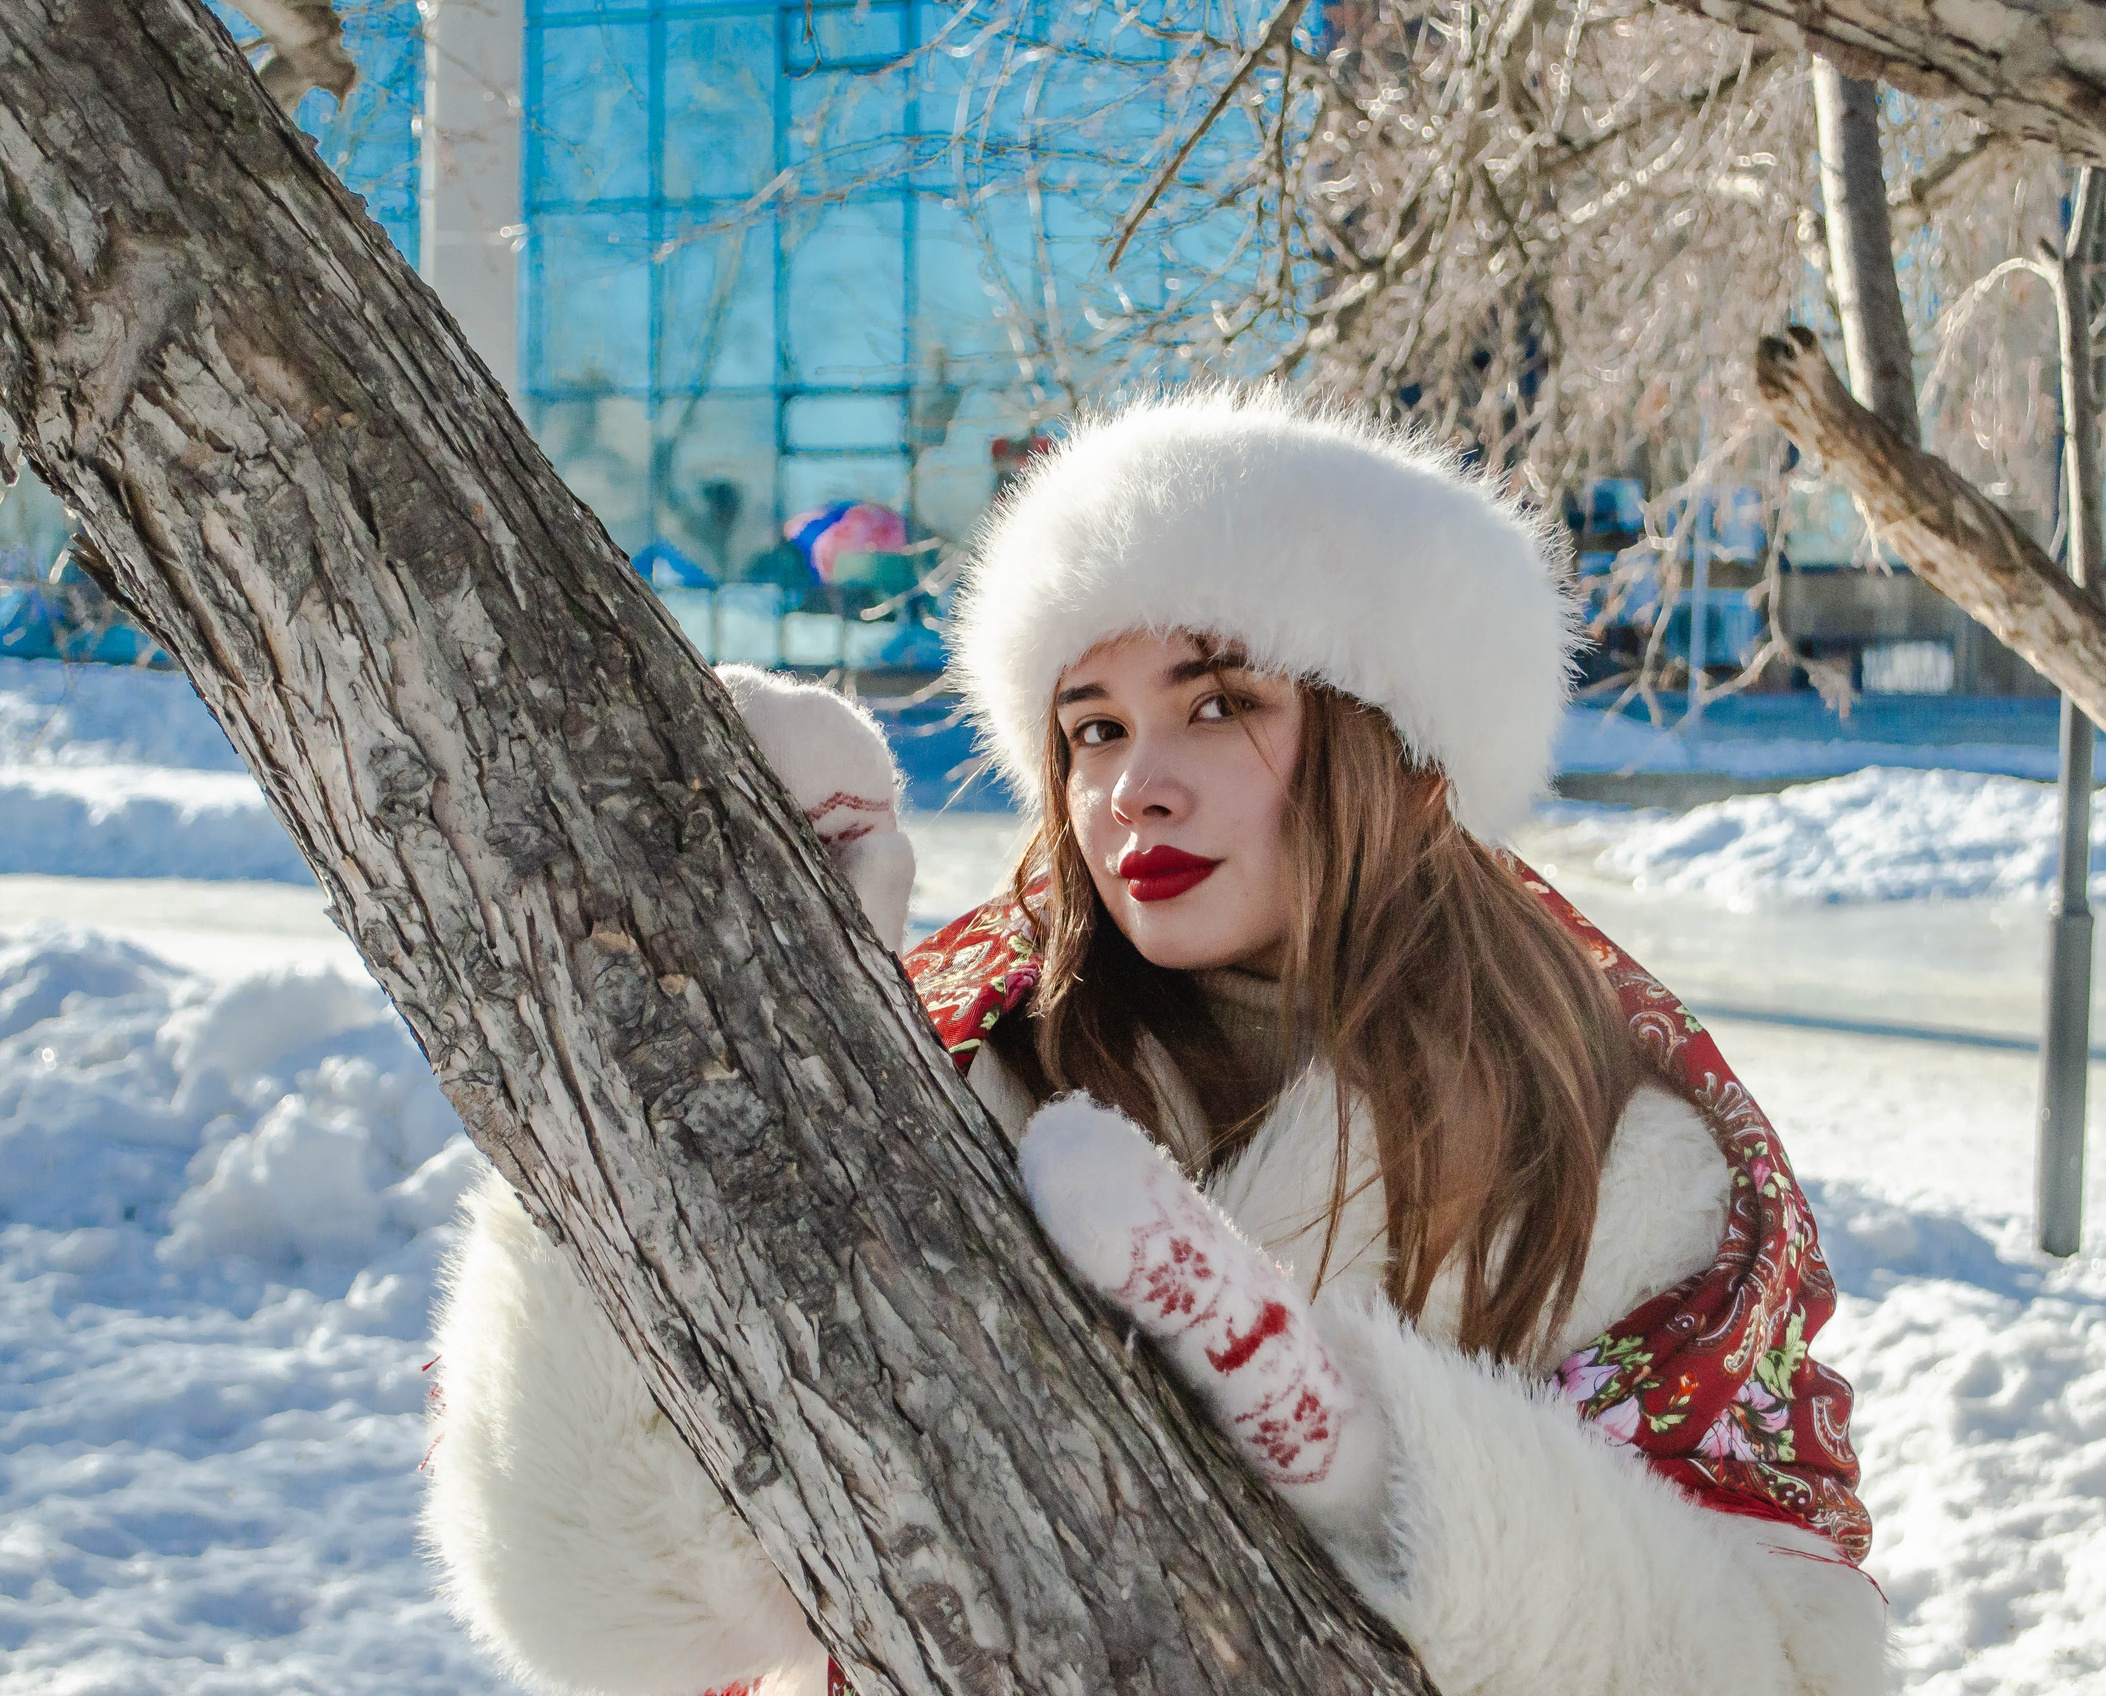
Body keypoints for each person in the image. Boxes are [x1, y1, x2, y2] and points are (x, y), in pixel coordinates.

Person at [418, 387, 1892, 1696]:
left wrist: (1382, 1469)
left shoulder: (1616, 1158)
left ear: (1404, 757)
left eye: (1219, 703)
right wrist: (734, 1003)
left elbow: (1780, 1660)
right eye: (1095, 730)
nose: (1137, 790)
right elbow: (613, 1598)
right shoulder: (945, 1057)